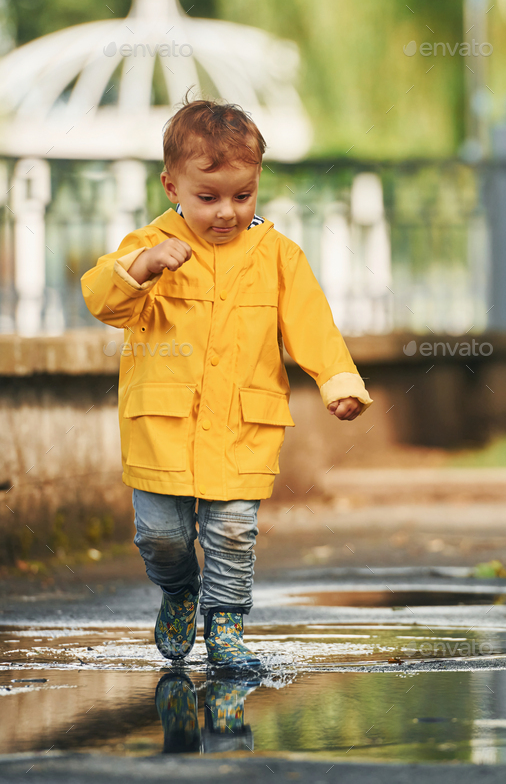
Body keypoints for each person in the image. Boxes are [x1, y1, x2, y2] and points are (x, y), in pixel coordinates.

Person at [81, 98, 373, 669]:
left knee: (233, 533)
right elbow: (100, 297)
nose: (227, 213)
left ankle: (227, 627)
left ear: (257, 183)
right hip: (162, 429)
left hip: (243, 426)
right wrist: (142, 268)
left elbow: (311, 324)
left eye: (243, 196)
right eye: (208, 198)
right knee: (160, 536)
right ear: (172, 186)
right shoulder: (149, 244)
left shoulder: (277, 254)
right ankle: (179, 591)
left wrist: (339, 380)